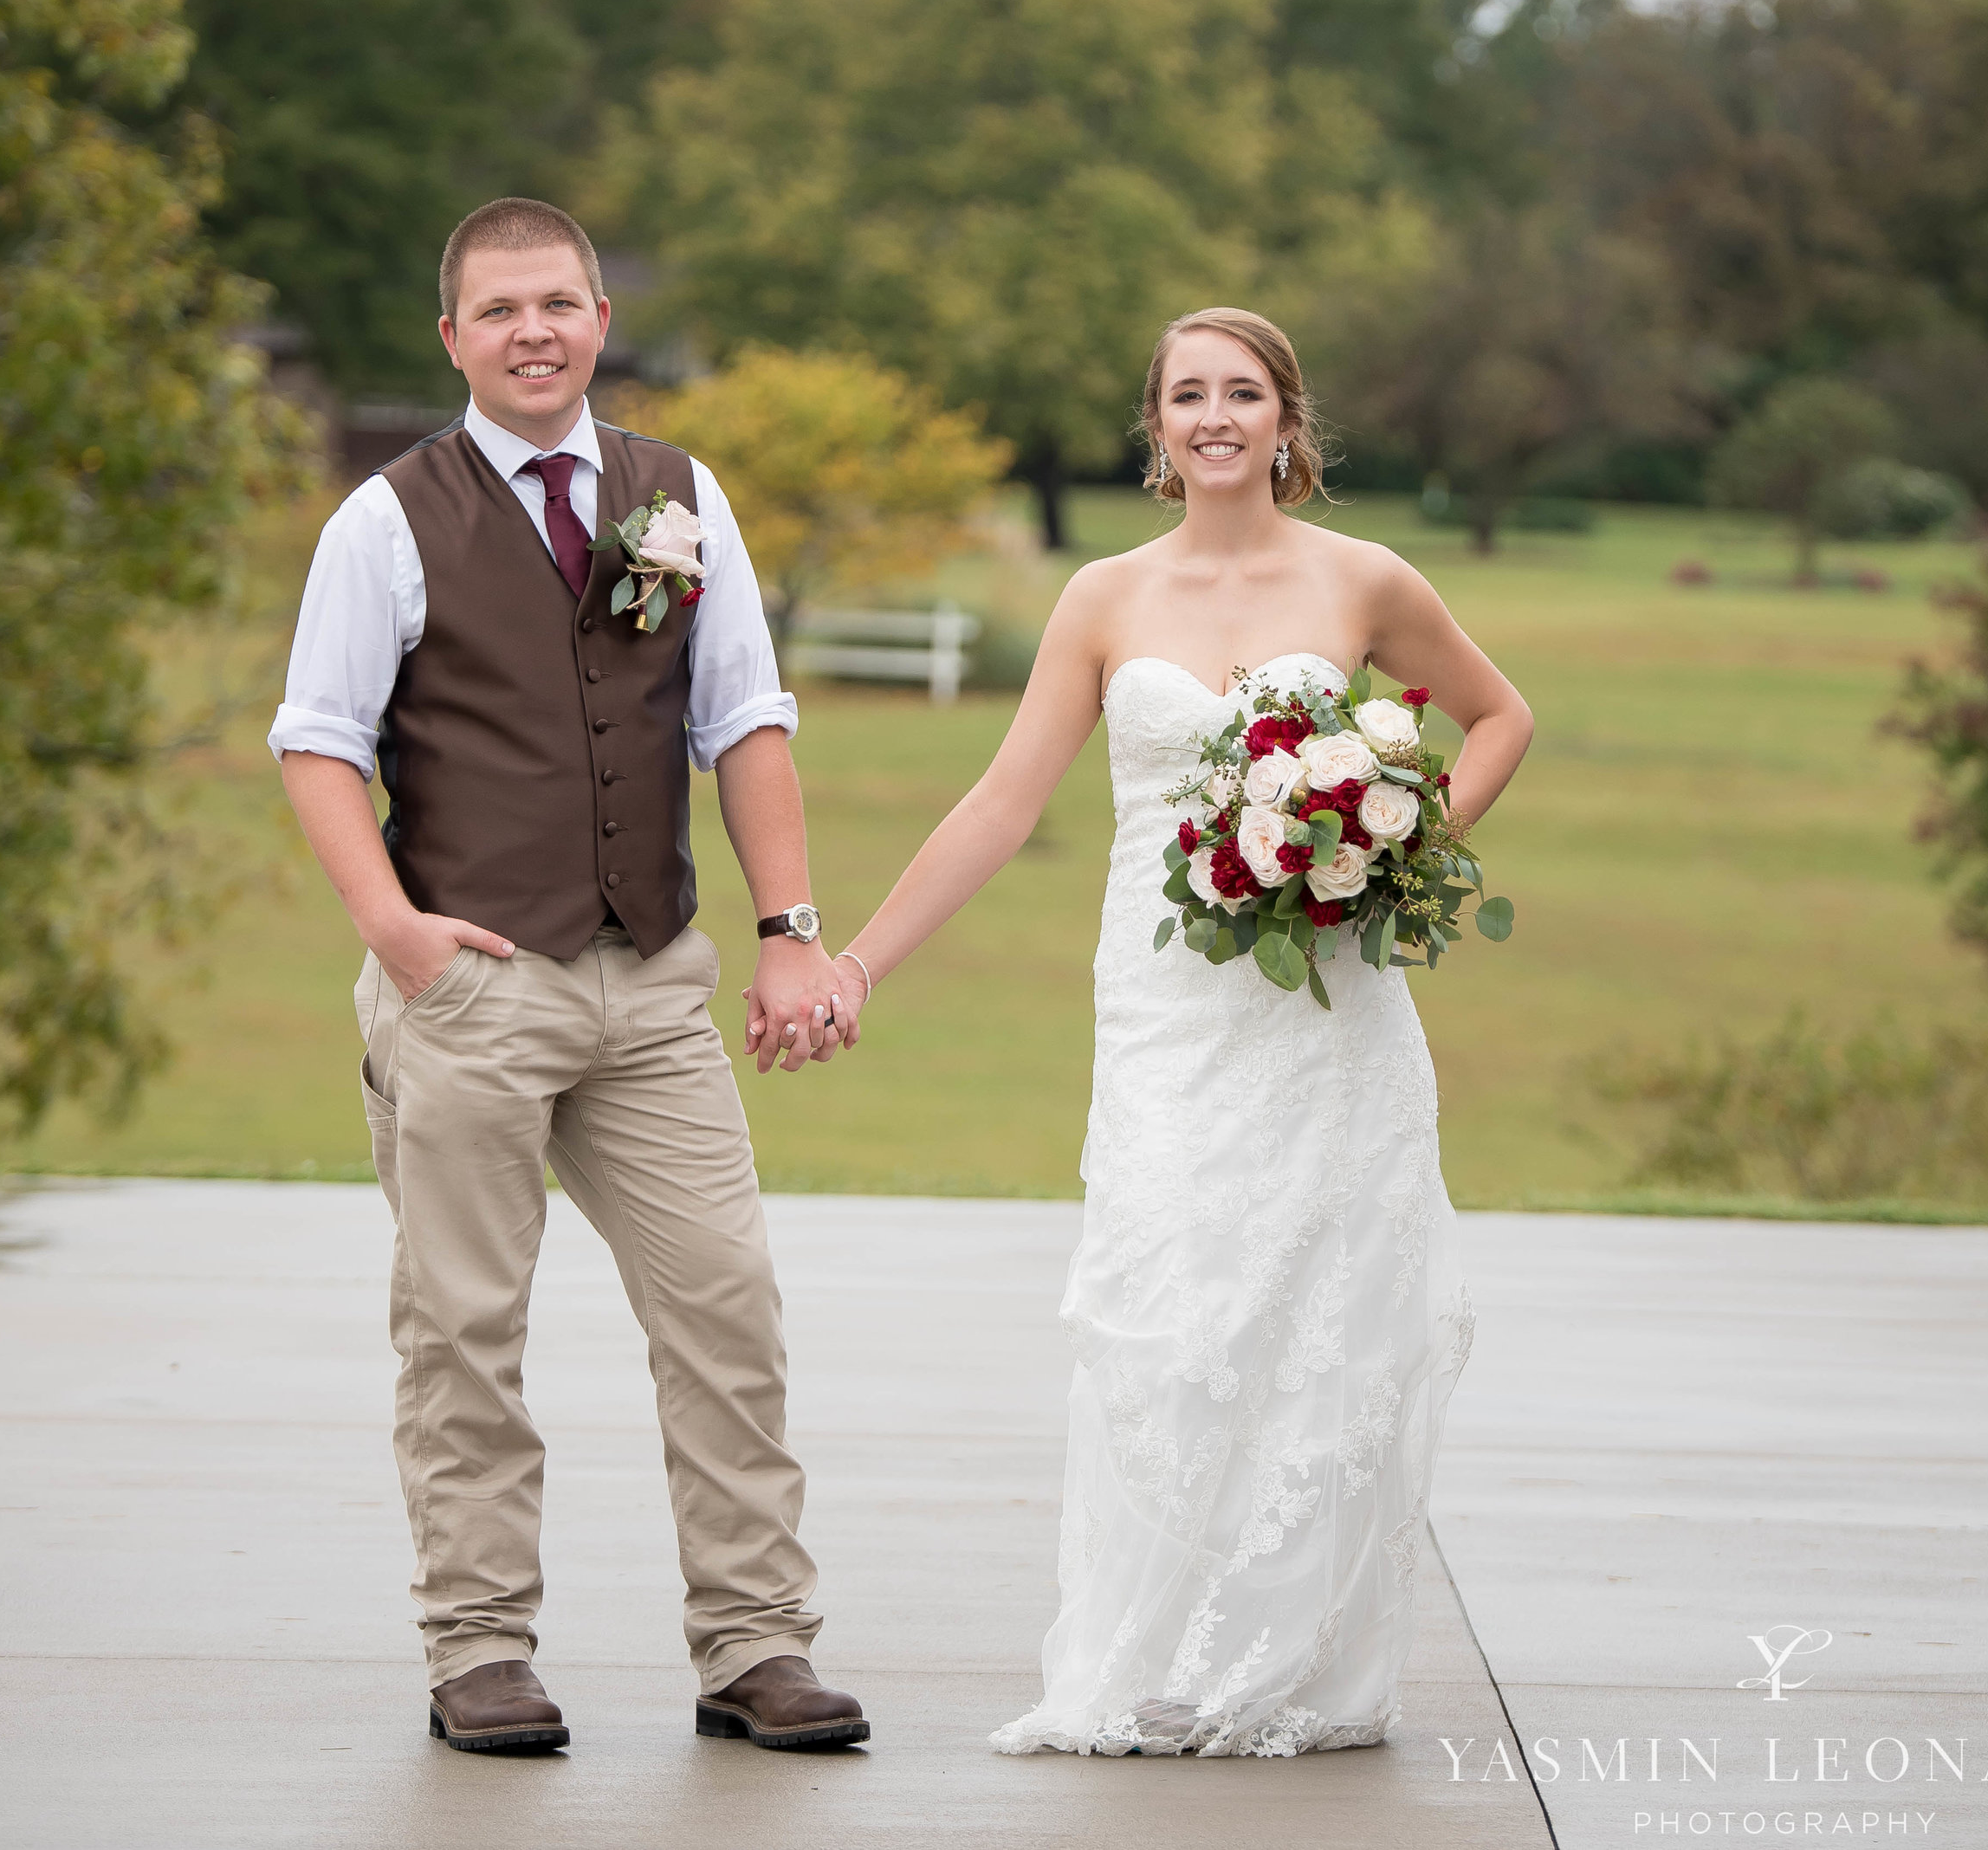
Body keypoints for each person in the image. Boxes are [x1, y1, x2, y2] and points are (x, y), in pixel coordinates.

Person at [818, 307, 1533, 1757]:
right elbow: (1003, 803)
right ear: (1158, 426)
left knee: (1318, 1321)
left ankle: (1287, 1659)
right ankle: (1143, 1648)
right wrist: (860, 961)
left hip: (1326, 1006)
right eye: (1188, 395)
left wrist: (1396, 854)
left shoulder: (1365, 578)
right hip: (1164, 1008)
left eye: (1244, 392)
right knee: (1166, 1308)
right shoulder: (1102, 598)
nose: (1216, 416)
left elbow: (1500, 715)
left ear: (1287, 419)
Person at [269, 197, 867, 1758]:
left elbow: (744, 717)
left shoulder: (679, 493)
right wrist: (400, 937)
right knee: (464, 1326)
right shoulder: (387, 518)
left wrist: (790, 924)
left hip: (654, 978)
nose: (534, 329)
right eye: (500, 307)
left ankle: (757, 1644)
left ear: (602, 316)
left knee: (727, 1306)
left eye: (560, 301)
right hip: (471, 981)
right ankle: (479, 1649)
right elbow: (320, 743)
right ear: (453, 335)